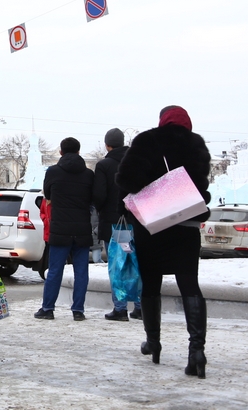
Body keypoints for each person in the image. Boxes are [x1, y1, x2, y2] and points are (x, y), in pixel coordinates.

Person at [116, 106, 211, 379]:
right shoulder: (196, 144)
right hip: (186, 225)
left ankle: (153, 342)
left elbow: (127, 180)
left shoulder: (147, 141)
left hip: (152, 227)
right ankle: (197, 351)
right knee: (189, 284)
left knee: (151, 284)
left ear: (162, 120)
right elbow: (200, 185)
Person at [35, 137, 101, 321]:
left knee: (55, 269)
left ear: (61, 152)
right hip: (81, 228)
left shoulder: (53, 172)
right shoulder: (88, 175)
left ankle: (48, 309)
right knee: (81, 271)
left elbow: (47, 194)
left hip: (60, 228)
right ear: (79, 152)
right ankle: (78, 310)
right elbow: (93, 198)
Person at [94, 128, 139, 321]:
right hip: (137, 222)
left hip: (114, 223)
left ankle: (120, 308)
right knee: (137, 263)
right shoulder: (136, 163)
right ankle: (140, 306)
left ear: (107, 145)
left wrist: (102, 209)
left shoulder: (104, 165)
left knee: (116, 264)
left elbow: (99, 195)